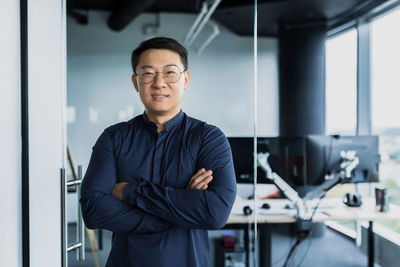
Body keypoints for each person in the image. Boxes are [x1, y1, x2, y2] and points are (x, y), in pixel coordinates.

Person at [80, 37, 237, 267]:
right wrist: (182, 206)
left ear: (186, 79)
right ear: (136, 82)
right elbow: (93, 211)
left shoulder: (208, 138)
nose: (159, 83)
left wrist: (131, 192)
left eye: (170, 72)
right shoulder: (113, 138)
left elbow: (215, 213)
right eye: (148, 74)